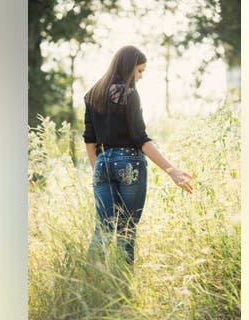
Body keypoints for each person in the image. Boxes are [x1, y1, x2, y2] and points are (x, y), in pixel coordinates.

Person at [83, 45, 193, 266]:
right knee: (127, 229)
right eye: (140, 71)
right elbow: (141, 139)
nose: (141, 77)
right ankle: (123, 281)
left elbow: (89, 140)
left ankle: (89, 281)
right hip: (129, 162)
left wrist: (100, 169)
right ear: (129, 67)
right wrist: (172, 171)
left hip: (102, 164)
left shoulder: (92, 95)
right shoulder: (129, 94)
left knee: (103, 227)